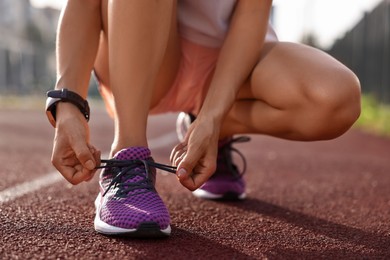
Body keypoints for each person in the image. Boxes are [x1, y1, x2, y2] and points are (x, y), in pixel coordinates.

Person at [46, 0, 361, 237]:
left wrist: (212, 117)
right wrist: (68, 102)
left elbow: (252, 12)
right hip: (143, 54)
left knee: (336, 98)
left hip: (226, 63)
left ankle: (206, 130)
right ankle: (129, 157)